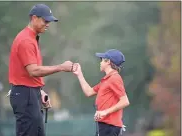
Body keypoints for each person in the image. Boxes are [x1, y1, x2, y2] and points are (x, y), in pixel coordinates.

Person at [8, 4, 76, 136]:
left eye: (49, 21)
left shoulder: (32, 38)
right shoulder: (26, 40)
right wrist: (61, 67)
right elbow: (33, 71)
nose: (48, 24)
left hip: (31, 94)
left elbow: (28, 75)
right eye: (45, 21)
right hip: (25, 95)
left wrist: (39, 91)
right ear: (34, 18)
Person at [73, 49, 130, 136]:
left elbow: (125, 101)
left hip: (110, 127)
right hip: (104, 125)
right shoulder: (106, 80)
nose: (100, 62)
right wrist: (79, 74)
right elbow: (89, 92)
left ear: (108, 61)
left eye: (102, 60)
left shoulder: (115, 78)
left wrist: (105, 112)